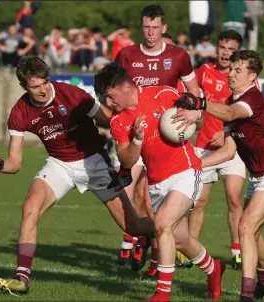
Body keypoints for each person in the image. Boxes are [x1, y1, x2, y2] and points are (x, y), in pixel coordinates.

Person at [0, 55, 155, 297]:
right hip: (59, 165)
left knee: (134, 226)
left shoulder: (72, 95)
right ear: (24, 87)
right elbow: (15, 163)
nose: (43, 89)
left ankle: (168, 234)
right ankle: (21, 278)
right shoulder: (20, 112)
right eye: (35, 86)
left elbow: (111, 121)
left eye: (45, 81)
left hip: (95, 163)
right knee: (30, 208)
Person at [95, 62, 226, 302]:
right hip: (157, 182)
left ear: (125, 86)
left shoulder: (162, 93)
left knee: (163, 225)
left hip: (186, 170)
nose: (110, 104)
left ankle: (161, 295)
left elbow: (201, 122)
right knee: (180, 239)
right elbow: (126, 160)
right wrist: (136, 140)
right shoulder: (118, 121)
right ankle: (213, 269)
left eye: (111, 97)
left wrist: (196, 115)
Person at [202, 50, 264, 301]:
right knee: (252, 232)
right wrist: (195, 163)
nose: (231, 74)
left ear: (252, 75)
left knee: (244, 225)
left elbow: (232, 115)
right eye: (231, 69)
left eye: (238, 70)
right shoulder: (230, 102)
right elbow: (228, 151)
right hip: (259, 175)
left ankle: (247, 294)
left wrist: (201, 103)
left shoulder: (252, 98)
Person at [114, 4, 200, 275]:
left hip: (166, 135)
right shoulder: (126, 55)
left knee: (153, 198)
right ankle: (139, 239)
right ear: (141, 28)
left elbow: (194, 94)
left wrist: (191, 112)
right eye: (146, 27)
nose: (150, 33)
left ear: (164, 28)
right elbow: (116, 91)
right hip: (135, 132)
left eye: (155, 28)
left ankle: (148, 252)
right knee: (130, 194)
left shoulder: (178, 55)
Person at [190, 30, 246, 270]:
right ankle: (190, 250)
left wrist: (225, 133)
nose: (225, 52)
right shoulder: (203, 73)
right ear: (216, 49)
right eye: (222, 47)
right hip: (203, 147)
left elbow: (248, 115)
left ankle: (237, 250)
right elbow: (191, 100)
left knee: (234, 199)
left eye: (231, 49)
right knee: (198, 202)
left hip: (232, 147)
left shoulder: (244, 79)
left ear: (238, 53)